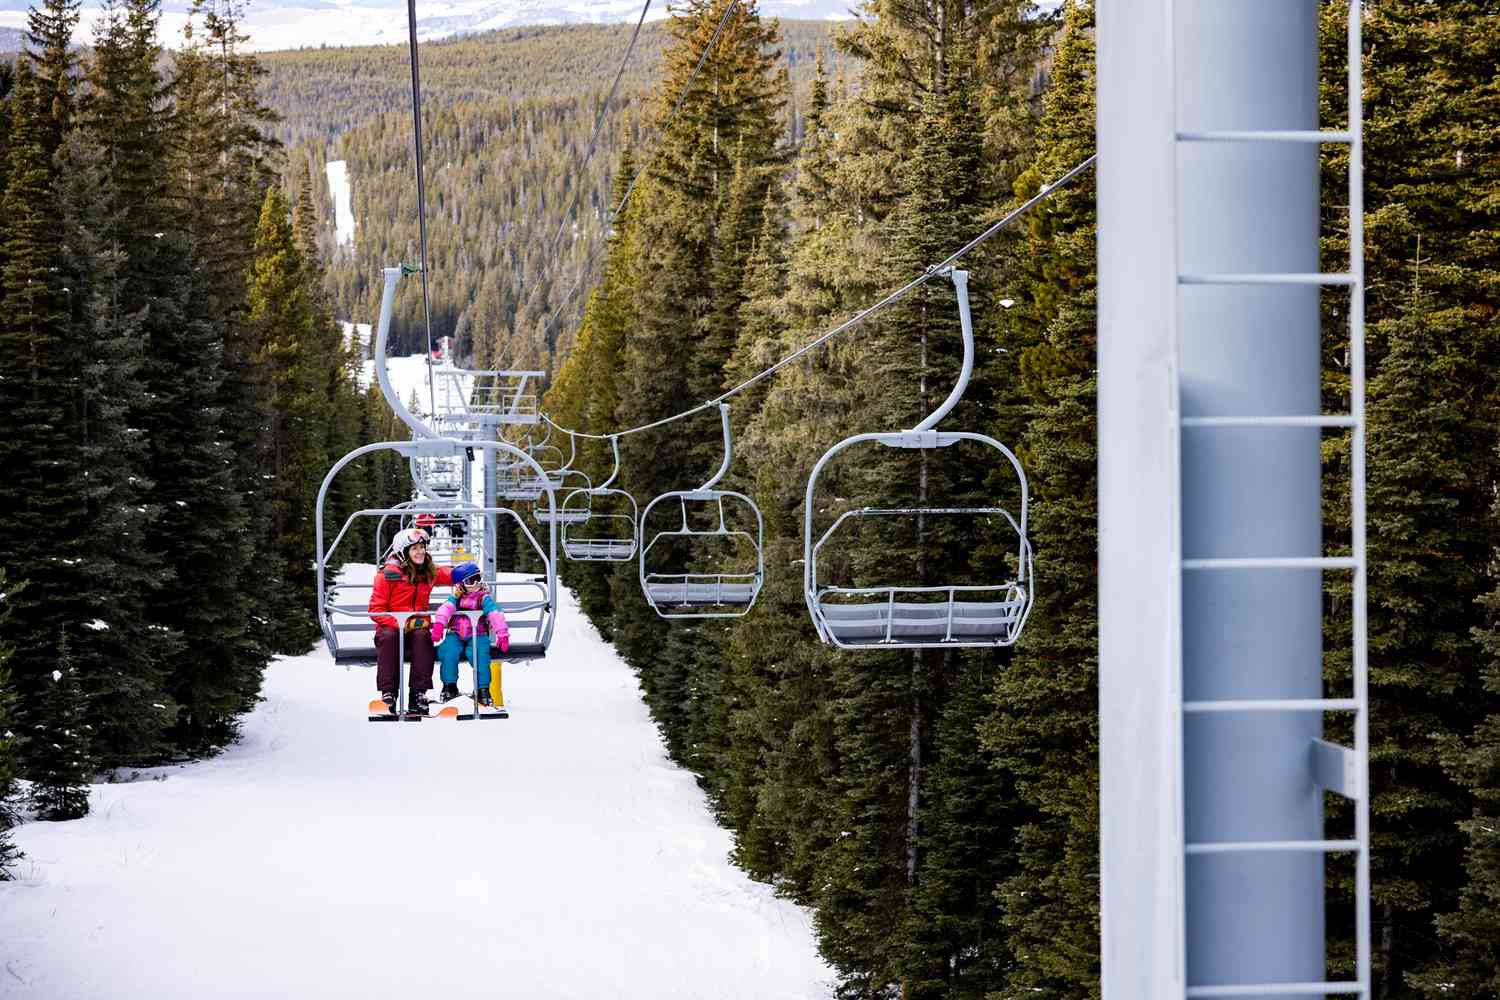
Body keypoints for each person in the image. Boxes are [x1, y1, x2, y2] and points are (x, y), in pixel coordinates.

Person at [369, 526, 453, 714]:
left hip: (416, 630)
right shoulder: (387, 576)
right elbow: (376, 610)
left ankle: (418, 694)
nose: (420, 552)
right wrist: (402, 624)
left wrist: (471, 574)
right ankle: (388, 693)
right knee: (389, 636)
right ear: (403, 552)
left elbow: (449, 575)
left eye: (422, 547)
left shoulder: (427, 572)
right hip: (391, 628)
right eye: (415, 548)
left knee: (423, 636)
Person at [431, 562, 510, 707]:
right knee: (449, 652)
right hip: (455, 634)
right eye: (470, 581)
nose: (475, 584)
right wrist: (439, 625)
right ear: (461, 585)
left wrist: (502, 634)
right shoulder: (455, 599)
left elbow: (495, 614)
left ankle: (482, 690)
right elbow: (445, 609)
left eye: (478, 578)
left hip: (478, 634)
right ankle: (449, 687)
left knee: (481, 655)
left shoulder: (483, 598)